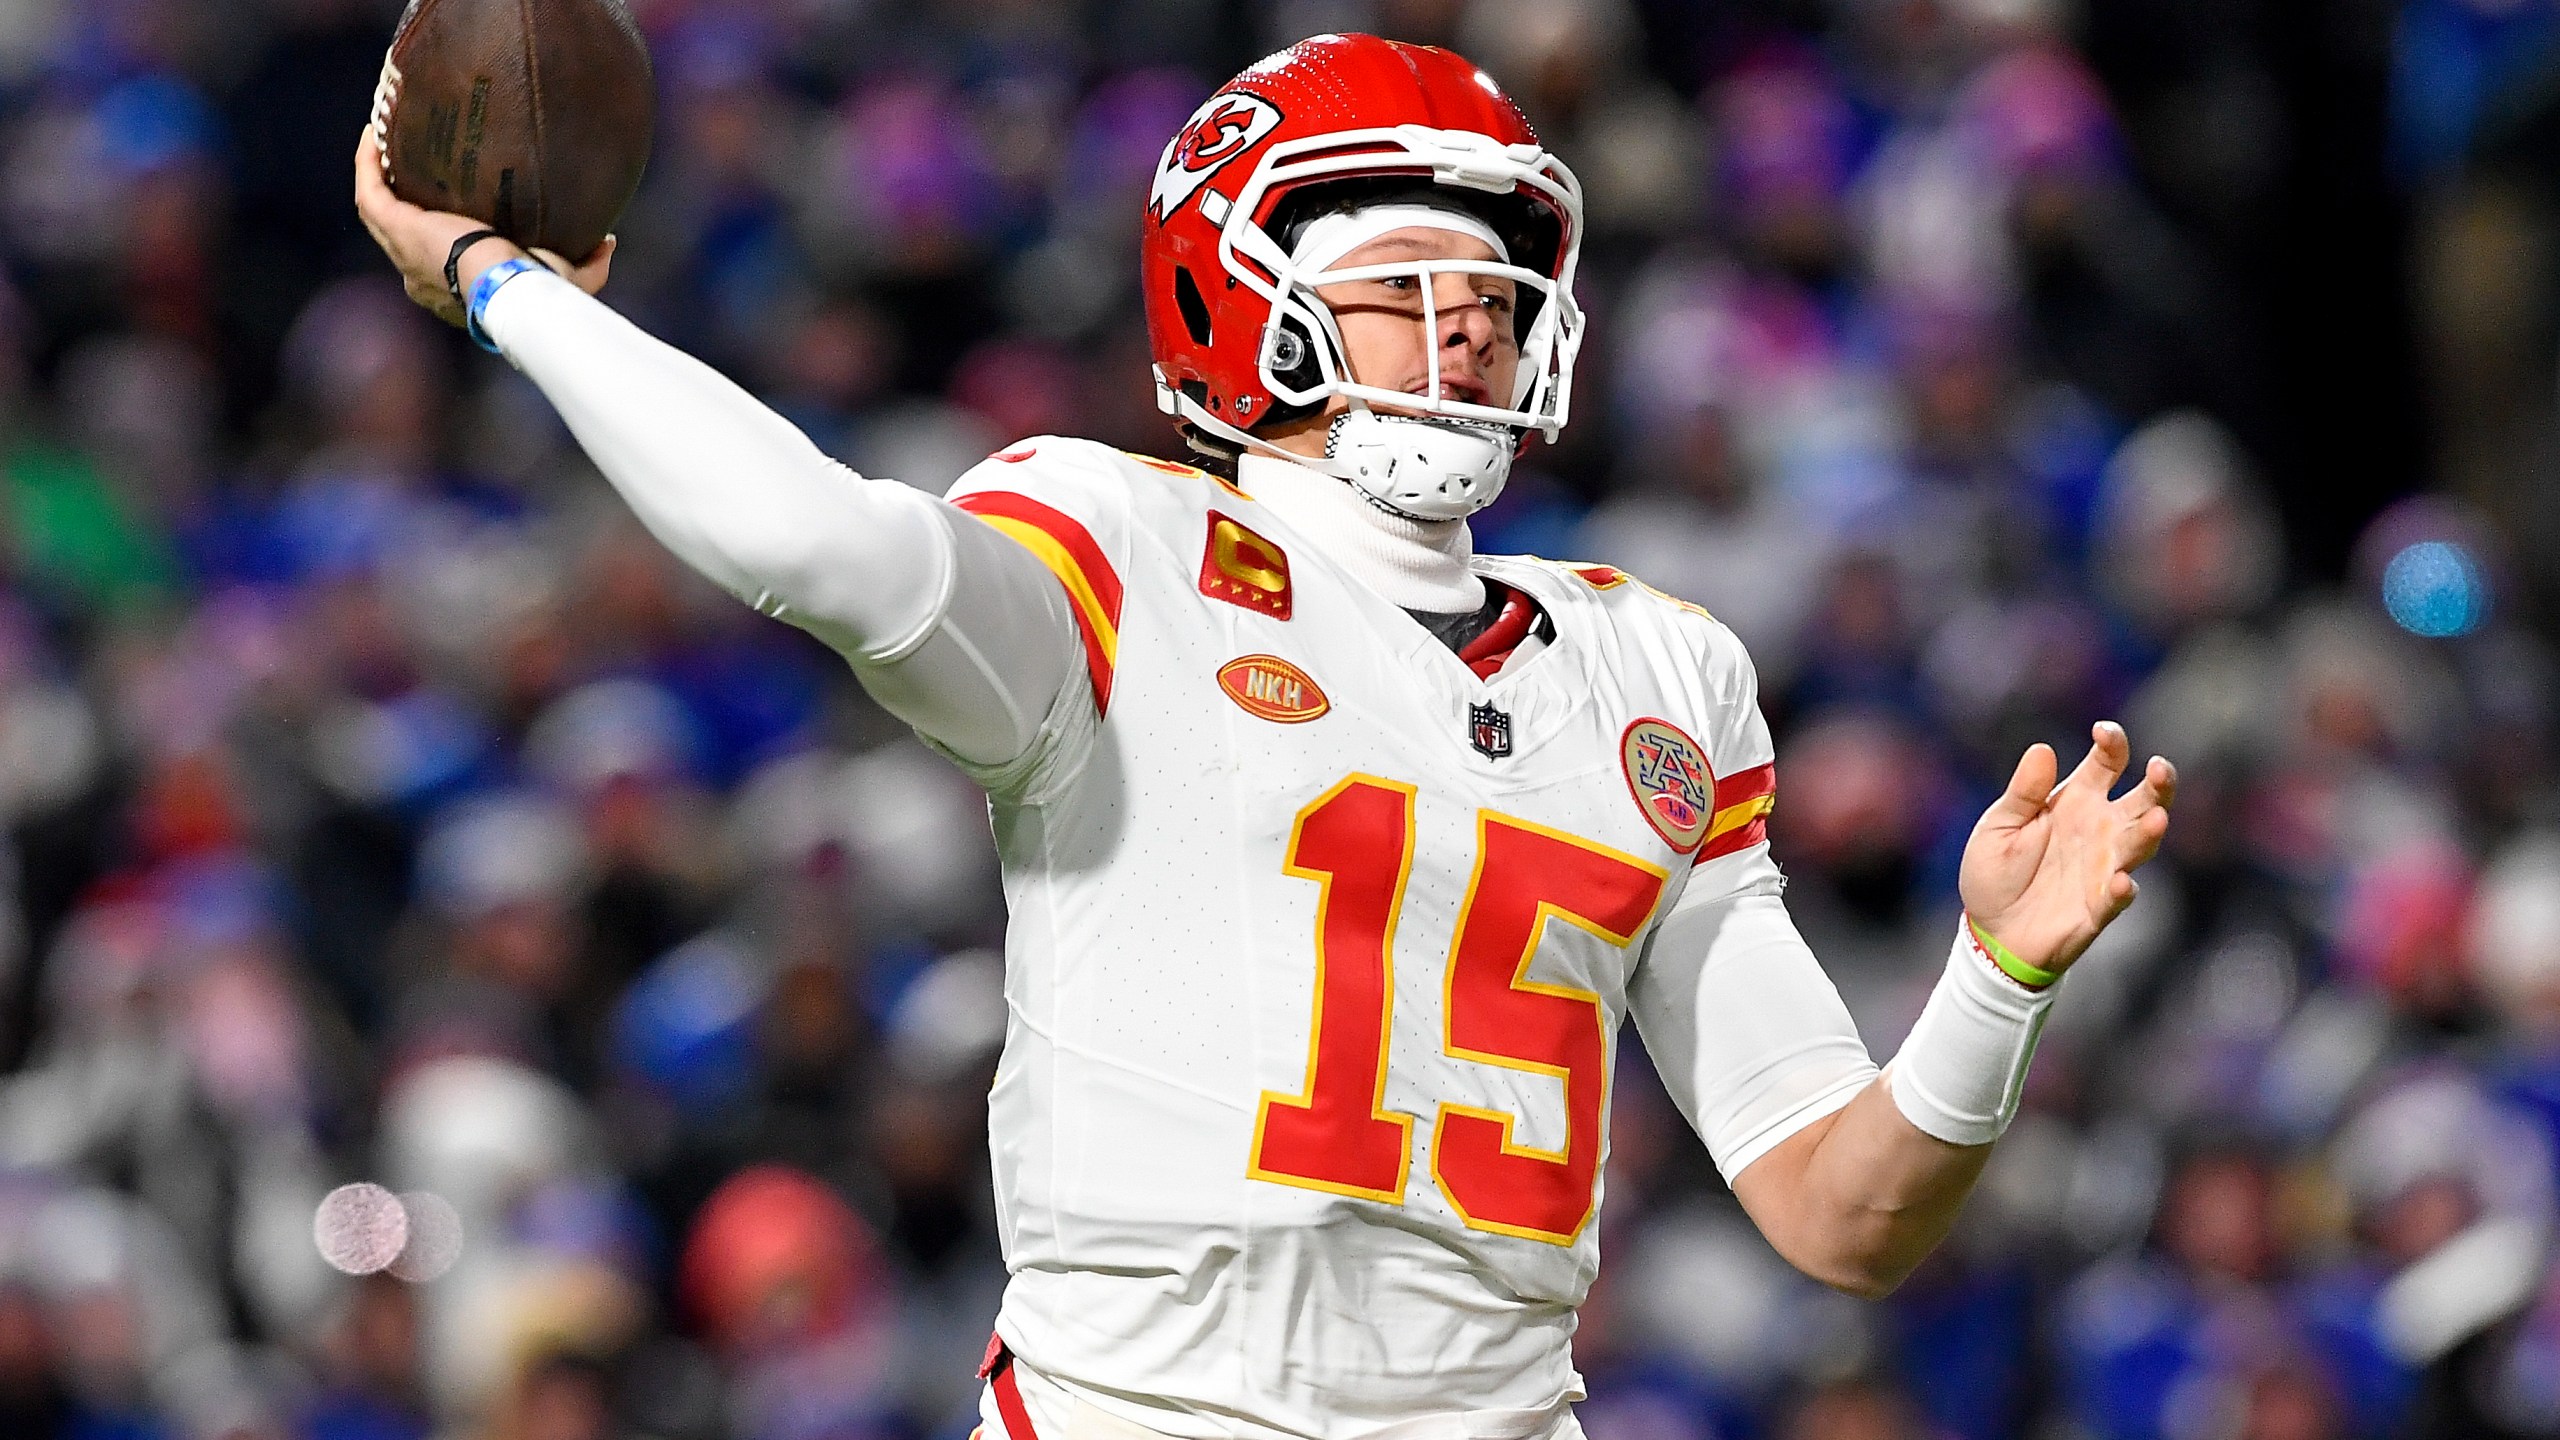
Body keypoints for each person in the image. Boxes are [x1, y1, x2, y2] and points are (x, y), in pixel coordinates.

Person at [354, 33, 2175, 1440]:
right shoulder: (1121, 548)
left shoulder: (1656, 671)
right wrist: (515, 292)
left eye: (1489, 294)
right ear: (1235, 287)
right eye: (1400, 280)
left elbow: (1847, 1217)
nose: (1459, 330)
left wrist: (1996, 978)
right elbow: (815, 543)